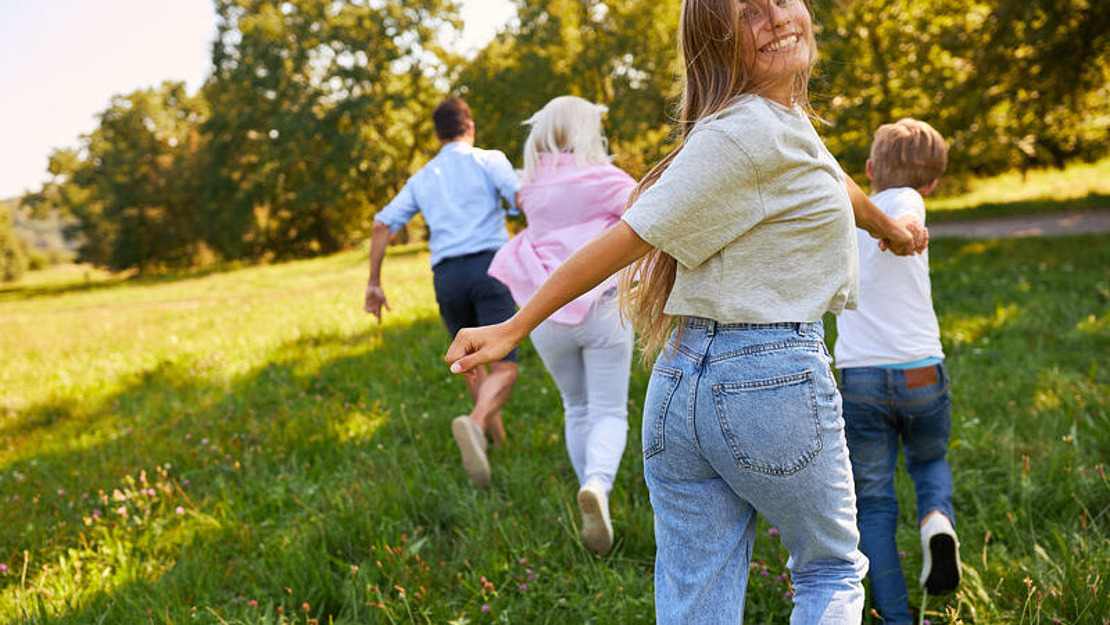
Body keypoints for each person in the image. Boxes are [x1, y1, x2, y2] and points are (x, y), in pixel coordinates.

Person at [445, 0, 929, 621]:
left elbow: (835, 179)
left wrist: (891, 227)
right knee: (830, 571)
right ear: (717, 43)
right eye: (750, 12)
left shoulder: (781, 122)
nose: (778, 18)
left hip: (682, 391)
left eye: (783, 1)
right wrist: (515, 325)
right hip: (770, 376)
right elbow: (628, 236)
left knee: (698, 593)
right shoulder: (745, 132)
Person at [488, 95, 637, 556]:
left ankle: (589, 497)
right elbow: (651, 216)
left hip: (545, 310)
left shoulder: (529, 187)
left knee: (576, 406)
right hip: (603, 307)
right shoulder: (605, 178)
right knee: (610, 411)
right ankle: (598, 484)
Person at [833, 118, 960, 623]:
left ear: (869, 170)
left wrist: (904, 230)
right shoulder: (910, 200)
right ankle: (936, 521)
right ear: (932, 183)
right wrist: (908, 229)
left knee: (875, 504)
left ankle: (895, 616)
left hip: (861, 380)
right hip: (920, 372)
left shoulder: (850, 214)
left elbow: (900, 212)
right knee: (928, 462)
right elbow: (905, 209)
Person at [366, 96, 521, 488]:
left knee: (469, 361)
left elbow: (381, 225)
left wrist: (374, 283)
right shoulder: (489, 160)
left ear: (437, 136)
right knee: (504, 364)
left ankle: (494, 442)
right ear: (470, 128)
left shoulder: (423, 177)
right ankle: (476, 423)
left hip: (447, 275)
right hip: (491, 267)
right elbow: (522, 199)